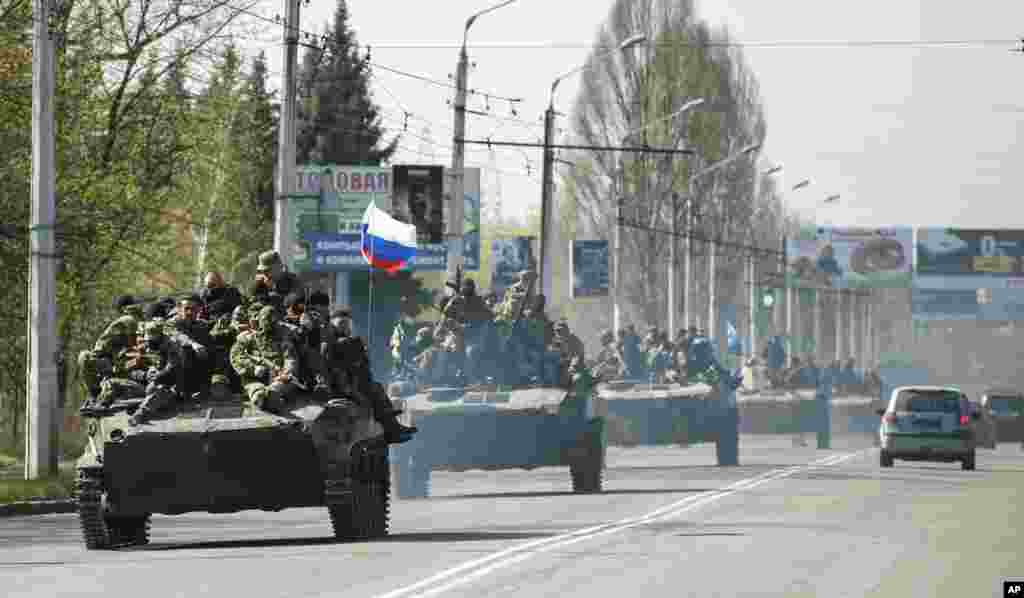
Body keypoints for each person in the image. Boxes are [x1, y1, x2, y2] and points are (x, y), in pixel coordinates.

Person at [321, 307, 416, 442]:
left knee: (375, 387)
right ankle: (391, 427)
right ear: (333, 325)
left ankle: (391, 425)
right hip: (339, 385)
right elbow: (338, 361)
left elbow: (360, 365)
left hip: (350, 382)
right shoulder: (332, 342)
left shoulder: (344, 341)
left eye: (347, 324)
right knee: (373, 388)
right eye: (341, 324)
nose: (345, 327)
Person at [230, 305, 304, 416]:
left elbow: (290, 358)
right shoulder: (247, 337)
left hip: (279, 378)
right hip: (254, 378)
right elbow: (236, 356)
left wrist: (286, 372)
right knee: (256, 391)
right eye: (266, 320)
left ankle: (271, 395)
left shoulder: (283, 339)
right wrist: (253, 368)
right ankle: (261, 396)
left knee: (280, 386)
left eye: (272, 321)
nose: (269, 324)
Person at [77, 295, 145, 402]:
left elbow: (133, 345)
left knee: (84, 356)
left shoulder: (127, 319)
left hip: (111, 362)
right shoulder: (136, 320)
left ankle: (96, 393)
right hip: (114, 362)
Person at [127, 322, 186, 425]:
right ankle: (100, 405)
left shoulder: (172, 346)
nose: (150, 342)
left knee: (159, 390)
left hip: (170, 388)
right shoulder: (144, 346)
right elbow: (128, 369)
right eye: (148, 339)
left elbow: (172, 369)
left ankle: (140, 414)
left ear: (160, 336)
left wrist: (156, 378)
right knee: (114, 383)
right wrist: (144, 375)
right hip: (146, 384)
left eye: (153, 338)